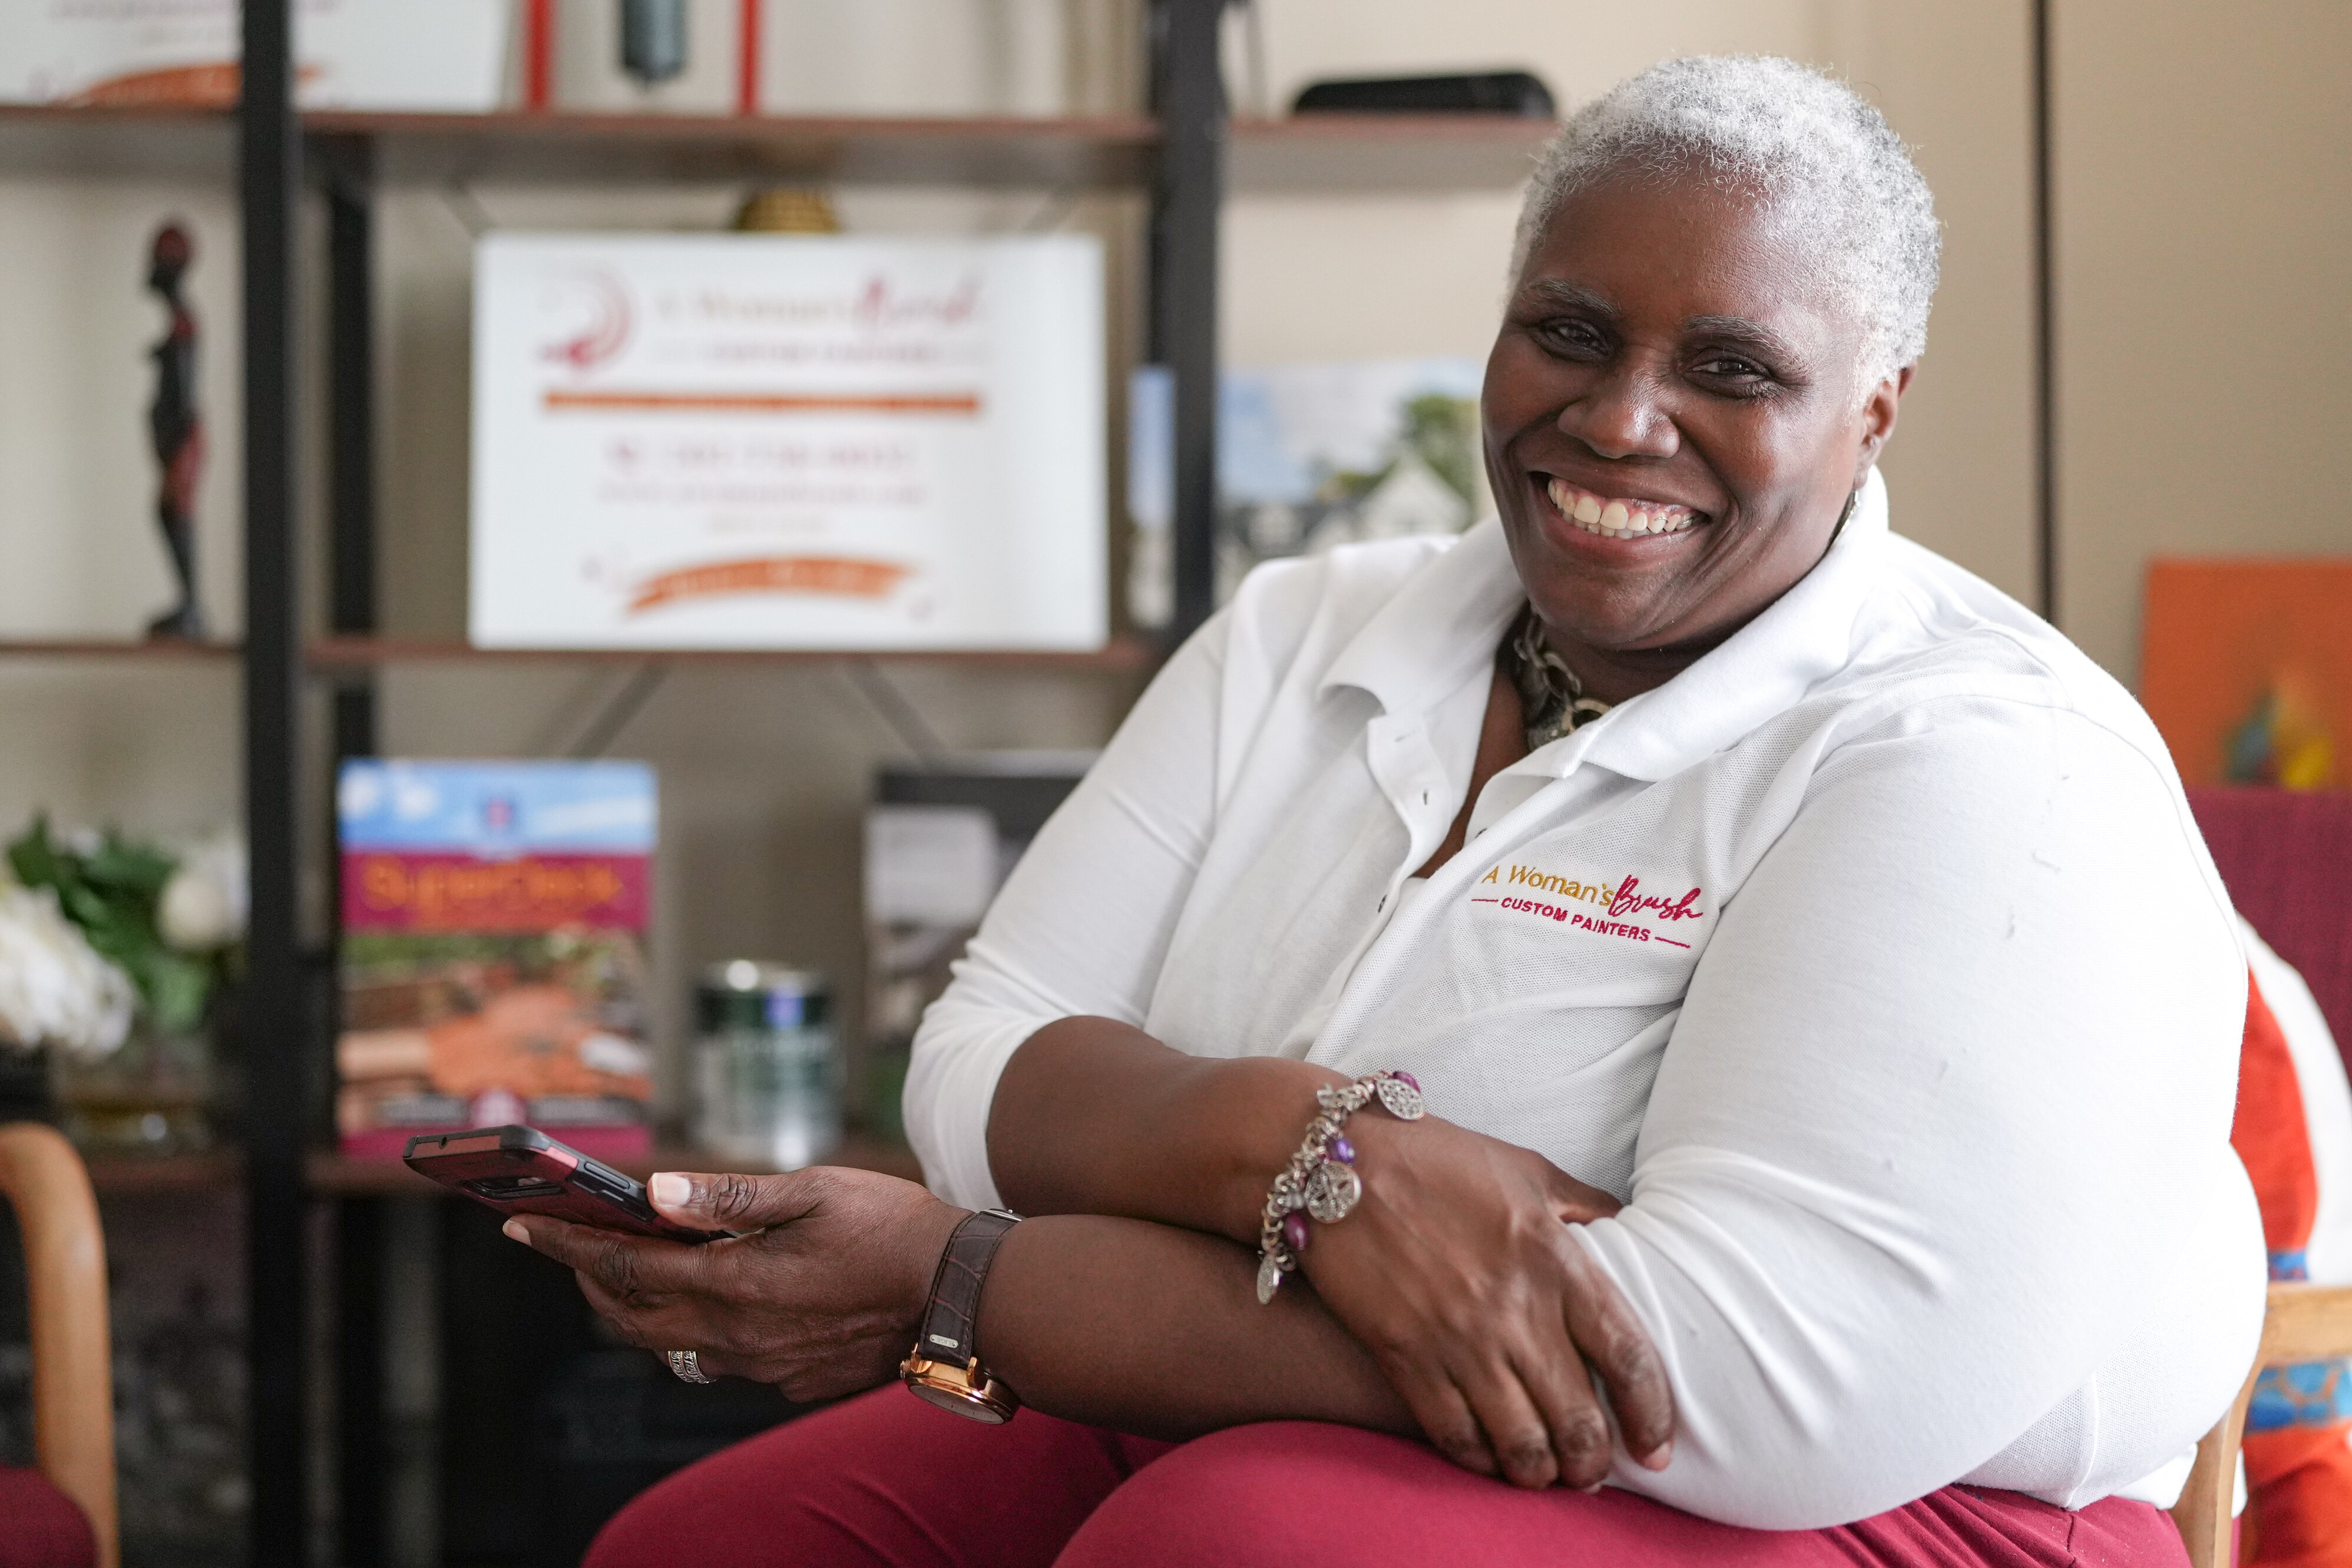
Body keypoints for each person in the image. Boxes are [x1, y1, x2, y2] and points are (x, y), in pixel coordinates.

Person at [509, 55, 2263, 1567]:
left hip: (1885, 1507)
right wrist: (1316, 1160)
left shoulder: (1983, 762)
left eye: (1732, 369)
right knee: (704, 1544)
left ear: (1873, 408)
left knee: (1227, 1546)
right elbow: (977, 1064)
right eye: (1566, 333)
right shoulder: (1301, 628)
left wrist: (967, 1284)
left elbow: (1749, 1376)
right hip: (1249, 1384)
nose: (1621, 417)